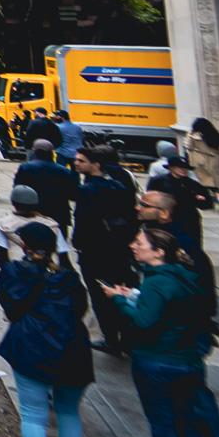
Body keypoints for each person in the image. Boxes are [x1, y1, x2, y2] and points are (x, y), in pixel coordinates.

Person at [105, 227, 219, 437]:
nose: (133, 246)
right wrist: (135, 296)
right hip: (188, 362)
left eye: (139, 242)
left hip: (157, 362)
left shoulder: (156, 282)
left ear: (158, 252)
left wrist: (119, 301)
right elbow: (175, 313)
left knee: (163, 423)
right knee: (187, 422)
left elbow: (144, 322)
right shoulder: (185, 278)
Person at [0, 222, 93, 437]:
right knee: (69, 412)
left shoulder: (14, 272)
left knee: (34, 415)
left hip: (32, 348)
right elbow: (80, 309)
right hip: (73, 351)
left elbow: (11, 309)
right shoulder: (69, 278)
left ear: (23, 245)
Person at [71, 145, 137, 354]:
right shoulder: (118, 185)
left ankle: (111, 339)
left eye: (81, 160)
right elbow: (131, 216)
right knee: (119, 290)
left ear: (95, 165)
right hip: (118, 249)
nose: (76, 163)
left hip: (95, 251)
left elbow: (82, 221)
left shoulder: (87, 190)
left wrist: (78, 245)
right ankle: (126, 336)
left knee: (100, 296)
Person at [14, 140, 78, 235]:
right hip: (59, 215)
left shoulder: (25, 168)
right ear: (52, 152)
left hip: (33, 213)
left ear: (34, 151)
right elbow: (73, 195)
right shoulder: (65, 171)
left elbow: (18, 190)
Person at [184, 118, 219, 211]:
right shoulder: (215, 135)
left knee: (202, 183)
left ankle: (206, 202)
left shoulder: (193, 135)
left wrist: (189, 135)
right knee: (215, 184)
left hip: (200, 161)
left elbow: (189, 146)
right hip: (214, 161)